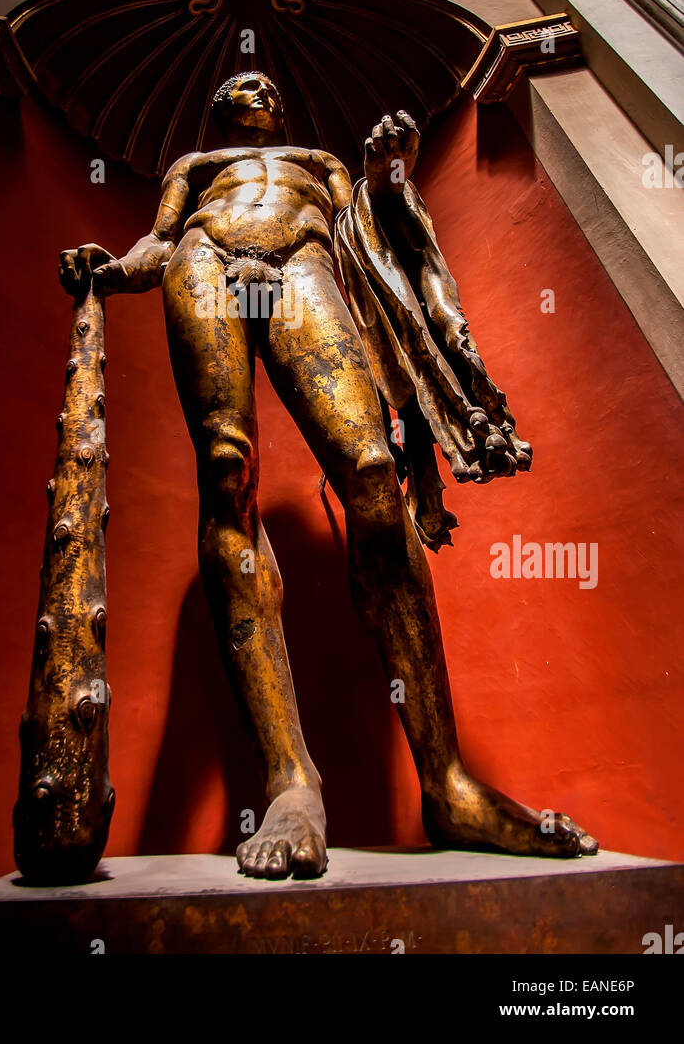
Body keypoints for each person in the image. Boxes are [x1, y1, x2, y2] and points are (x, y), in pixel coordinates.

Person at [60, 71, 598, 879]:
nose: (254, 84)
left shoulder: (317, 158)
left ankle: (447, 783)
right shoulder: (194, 165)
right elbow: (160, 242)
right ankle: (290, 782)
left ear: (286, 103)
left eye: (267, 80)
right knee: (225, 473)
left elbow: (366, 239)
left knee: (374, 473)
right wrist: (116, 270)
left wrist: (390, 177)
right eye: (239, 79)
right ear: (215, 107)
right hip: (205, 262)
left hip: (304, 262)